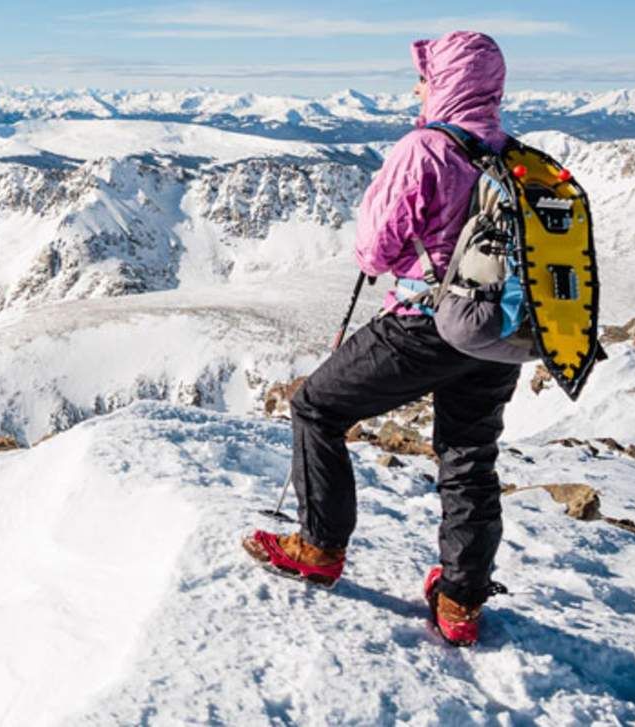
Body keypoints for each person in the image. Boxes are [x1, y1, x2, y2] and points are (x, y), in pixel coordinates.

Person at [242, 30, 522, 647]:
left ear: (446, 80)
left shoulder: (427, 149)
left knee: (317, 406)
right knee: (469, 455)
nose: (416, 86)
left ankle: (318, 547)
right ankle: (460, 602)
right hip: (498, 330)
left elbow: (376, 247)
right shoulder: (513, 154)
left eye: (424, 75)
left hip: (426, 324)